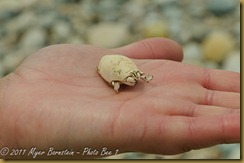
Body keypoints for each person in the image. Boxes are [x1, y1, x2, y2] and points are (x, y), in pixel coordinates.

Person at [0, 38, 240, 159]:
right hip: (113, 69)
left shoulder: (129, 74)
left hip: (118, 68)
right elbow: (113, 71)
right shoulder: (114, 75)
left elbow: (129, 71)